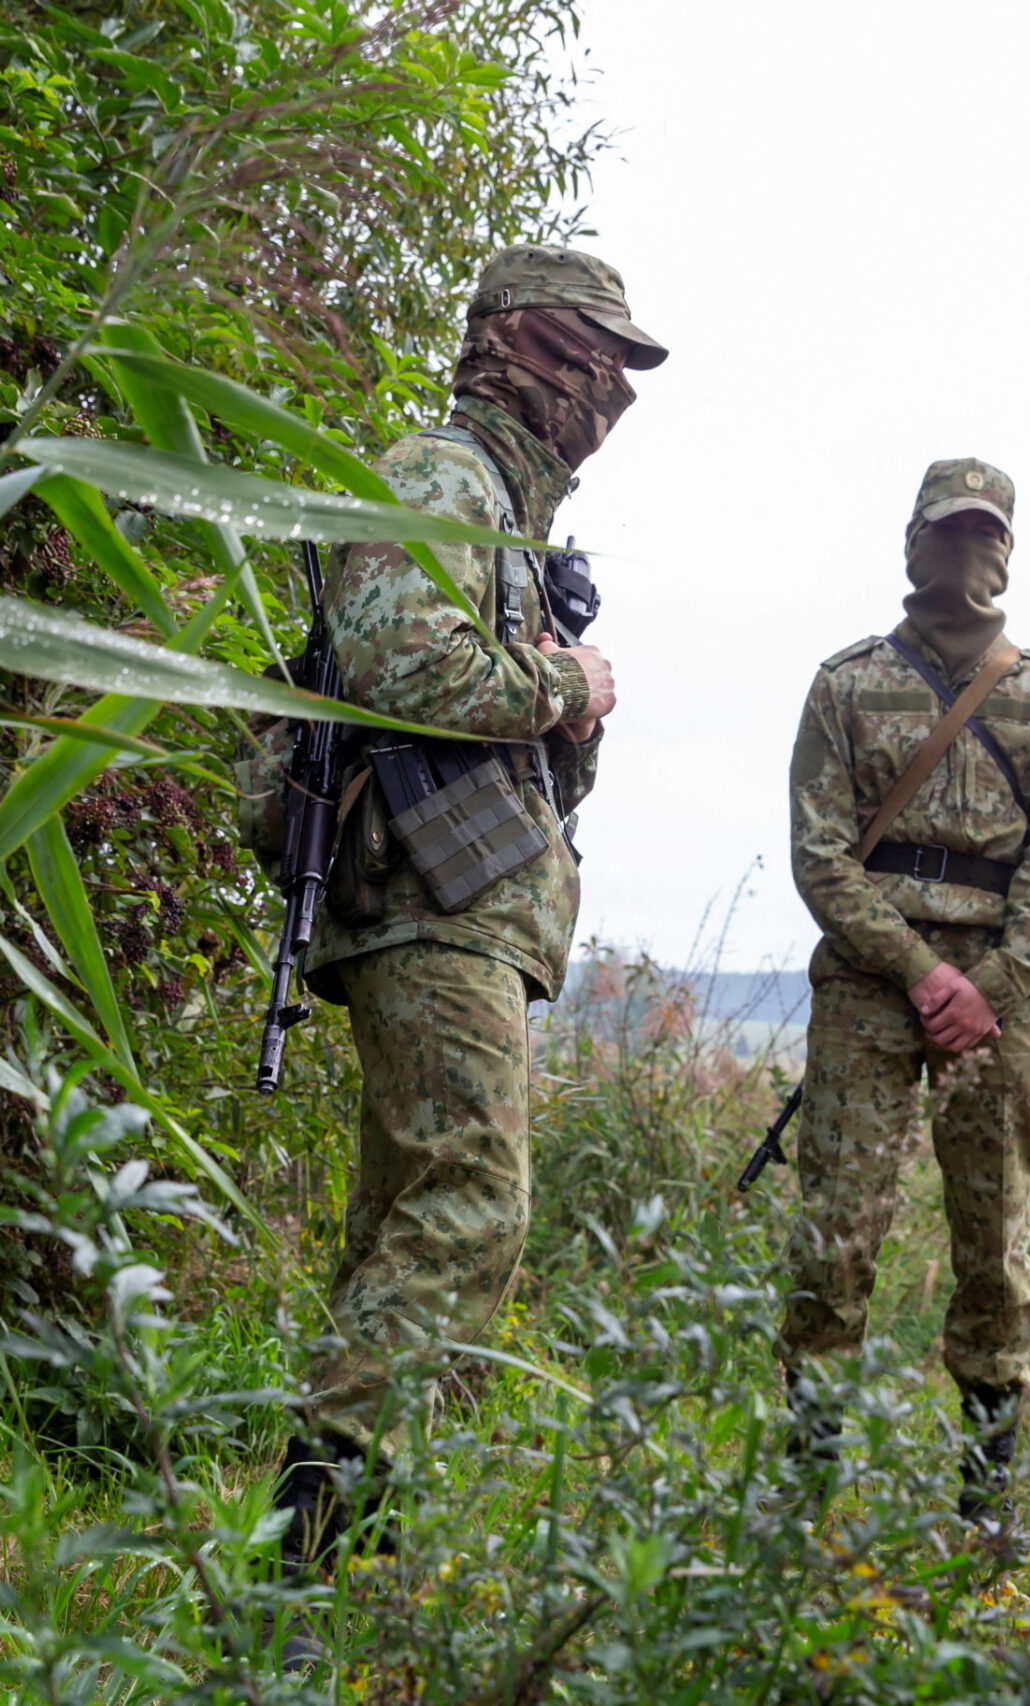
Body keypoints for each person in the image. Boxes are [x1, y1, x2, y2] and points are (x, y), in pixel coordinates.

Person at [268, 244, 666, 1566]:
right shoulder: (440, 475)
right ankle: (311, 1544)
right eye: (593, 355)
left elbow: (534, 769)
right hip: (426, 899)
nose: (610, 390)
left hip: (466, 902)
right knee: (470, 1199)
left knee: (411, 1214)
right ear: (524, 347)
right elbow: (408, 665)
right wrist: (570, 683)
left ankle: (334, 1553)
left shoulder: (507, 513)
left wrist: (561, 686)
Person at [780, 456, 1030, 1525]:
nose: (967, 552)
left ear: (1007, 550)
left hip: (996, 1006)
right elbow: (821, 858)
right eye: (948, 531)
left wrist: (990, 988)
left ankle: (985, 1505)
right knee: (834, 1239)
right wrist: (921, 973)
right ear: (911, 542)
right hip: (873, 991)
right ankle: (805, 1497)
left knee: (995, 1246)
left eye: (985, 534)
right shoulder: (844, 683)